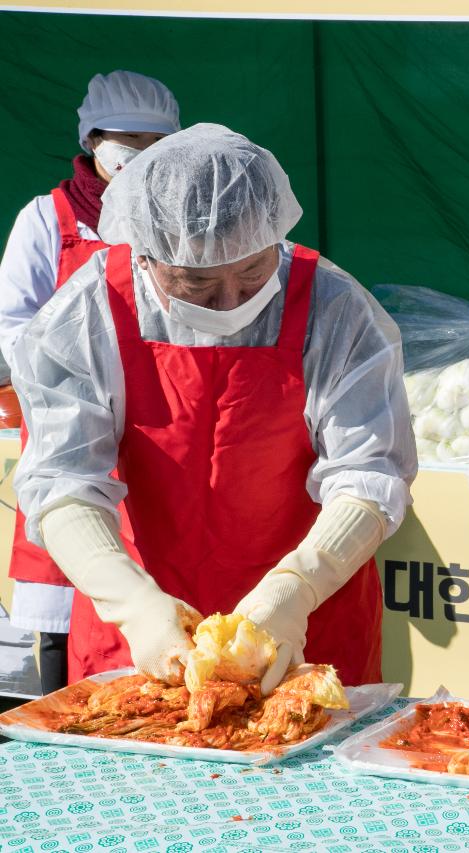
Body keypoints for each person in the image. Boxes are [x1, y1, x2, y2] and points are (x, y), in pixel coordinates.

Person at [11, 123, 416, 691]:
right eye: (197, 285)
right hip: (142, 633)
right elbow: (61, 482)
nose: (231, 302)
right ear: (146, 257)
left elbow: (369, 476)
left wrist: (295, 590)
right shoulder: (90, 311)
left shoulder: (335, 307)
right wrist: (131, 603)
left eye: (253, 273)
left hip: (307, 623)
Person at [0, 70, 180, 694]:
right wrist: (73, 371)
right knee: (65, 584)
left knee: (155, 603)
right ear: (92, 139)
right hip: (69, 429)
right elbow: (11, 324)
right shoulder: (47, 219)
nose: (138, 153)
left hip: (158, 430)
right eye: (124, 140)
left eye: (153, 141)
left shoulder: (179, 221)